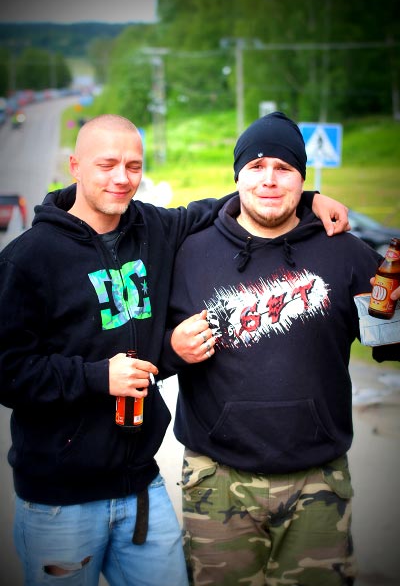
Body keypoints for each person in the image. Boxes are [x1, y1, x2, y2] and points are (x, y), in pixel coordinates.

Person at [0, 113, 349, 586]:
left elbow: (234, 202)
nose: (122, 178)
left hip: (141, 488)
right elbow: (8, 371)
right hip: (61, 500)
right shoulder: (28, 258)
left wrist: (306, 197)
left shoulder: (153, 229)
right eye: (107, 165)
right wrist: (98, 377)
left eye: (133, 166)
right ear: (75, 166)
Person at [161, 111, 400, 586]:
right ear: (237, 176)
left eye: (284, 168)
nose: (269, 179)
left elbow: (388, 341)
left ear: (302, 179)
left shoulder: (345, 252)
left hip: (319, 480)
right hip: (217, 480)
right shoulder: (189, 253)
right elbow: (148, 352)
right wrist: (171, 346)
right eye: (256, 166)